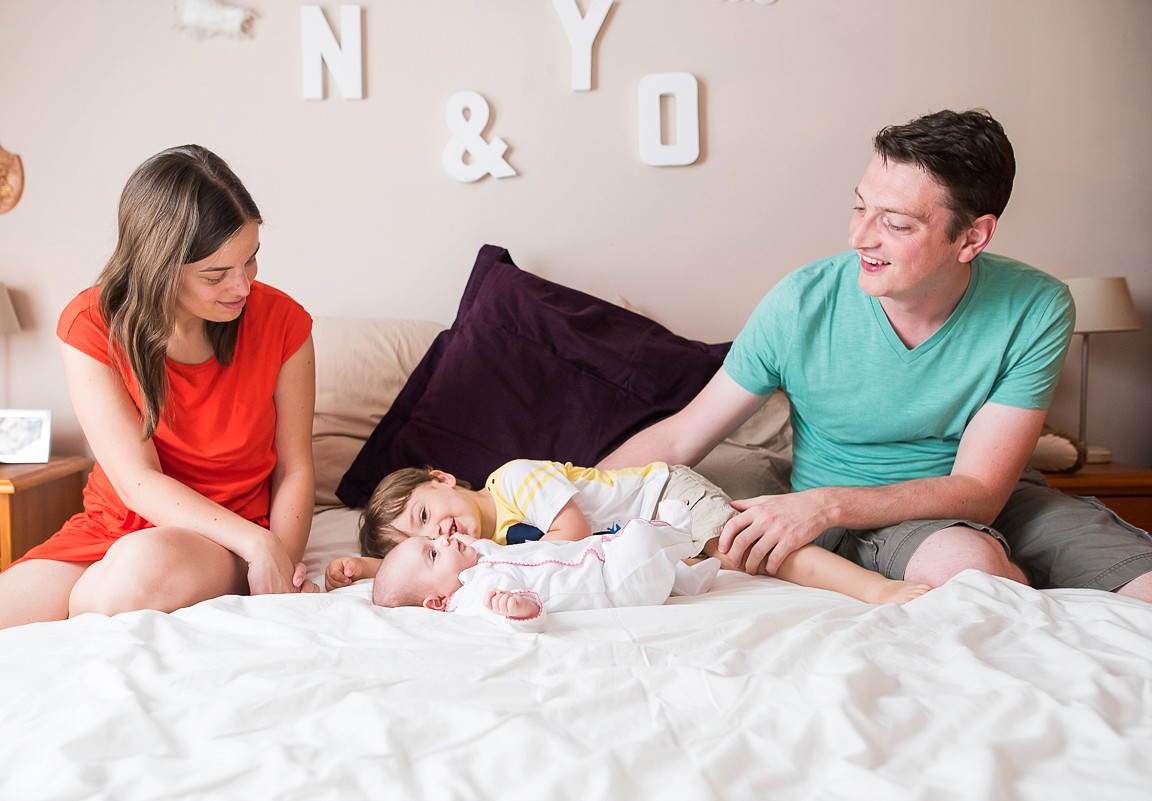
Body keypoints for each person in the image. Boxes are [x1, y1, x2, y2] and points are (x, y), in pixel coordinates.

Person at [599, 109, 1152, 601]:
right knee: (973, 570)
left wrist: (824, 505)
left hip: (1001, 498)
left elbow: (982, 493)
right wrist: (553, 491)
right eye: (860, 208)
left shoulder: (1036, 305)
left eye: (895, 222)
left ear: (972, 238)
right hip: (874, 520)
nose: (861, 237)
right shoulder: (801, 302)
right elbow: (679, 439)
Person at [0, 145, 318, 646]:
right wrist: (259, 544)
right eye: (216, 274)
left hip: (225, 537)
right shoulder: (90, 324)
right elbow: (137, 480)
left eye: (251, 260)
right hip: (112, 528)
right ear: (160, 266)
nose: (243, 285)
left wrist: (274, 555)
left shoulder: (284, 324)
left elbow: (294, 467)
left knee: (140, 569)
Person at [327, 459, 930, 605]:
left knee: (757, 555)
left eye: (427, 513)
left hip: (666, 495)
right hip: (652, 532)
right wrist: (379, 571)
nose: (442, 531)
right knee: (738, 564)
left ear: (443, 477)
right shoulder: (478, 548)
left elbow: (572, 530)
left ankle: (879, 592)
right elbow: (436, 568)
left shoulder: (510, 482)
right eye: (424, 537)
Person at [371, 510, 704, 631]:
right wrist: (521, 610)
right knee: (641, 536)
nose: (443, 540)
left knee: (638, 548)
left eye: (435, 539)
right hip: (614, 586)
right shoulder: (476, 596)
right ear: (439, 602)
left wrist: (463, 545)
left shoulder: (477, 558)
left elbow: (483, 547)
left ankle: (686, 579)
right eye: (432, 553)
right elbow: (504, 618)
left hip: (600, 556)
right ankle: (679, 531)